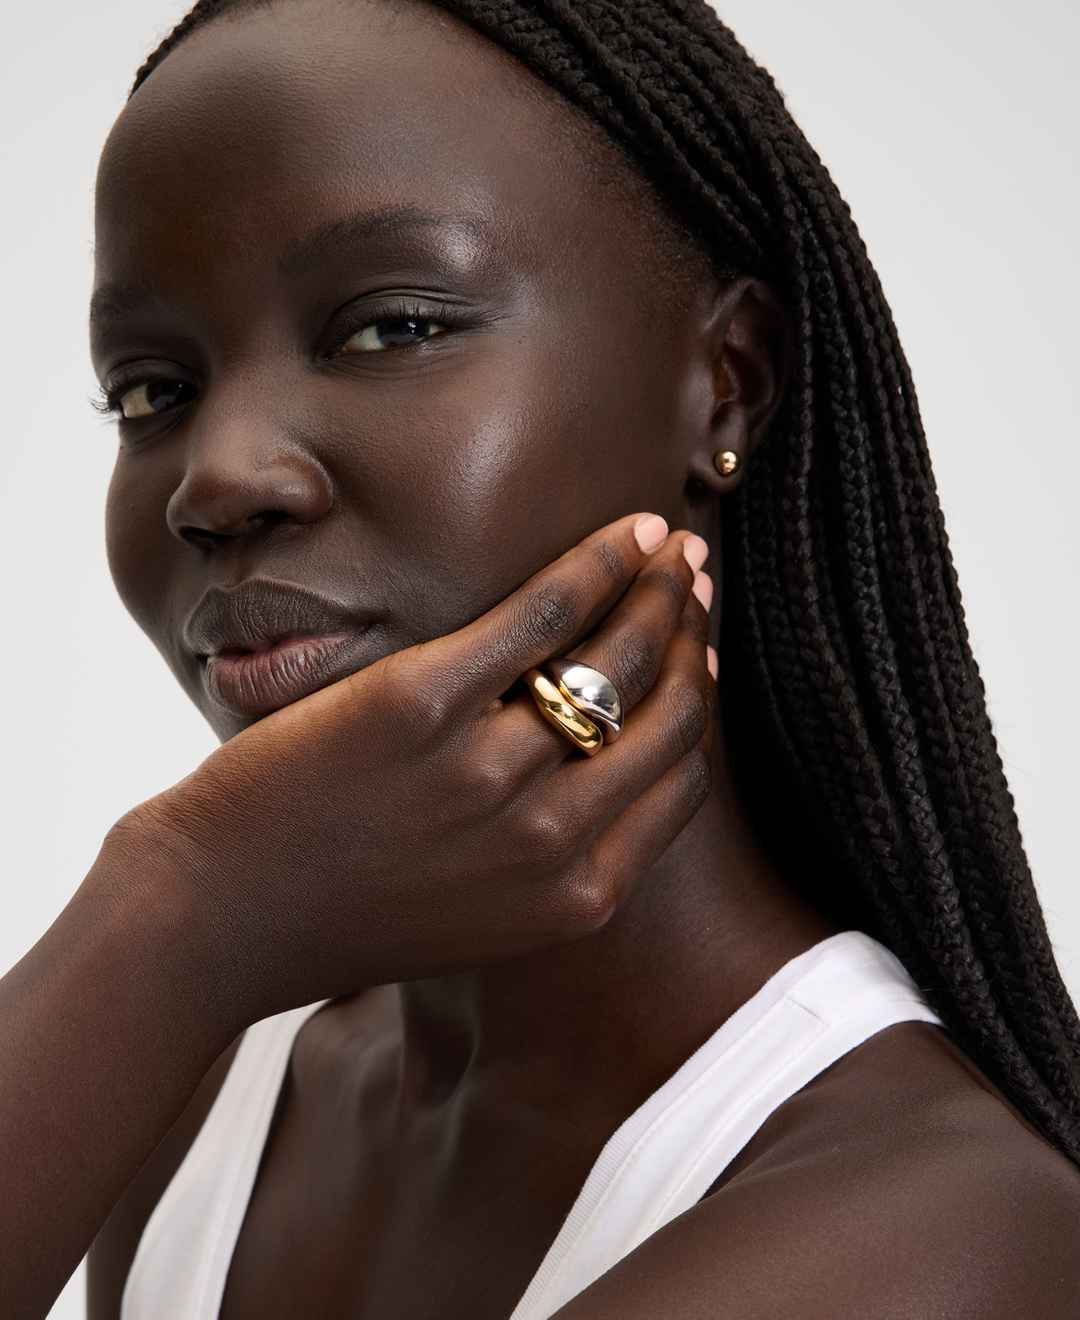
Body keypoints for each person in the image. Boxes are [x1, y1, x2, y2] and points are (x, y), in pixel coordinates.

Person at [3, 0, 1078, 1316]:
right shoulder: (194, 1084)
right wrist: (175, 913)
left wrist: (175, 911)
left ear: (727, 382)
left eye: (393, 326)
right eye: (150, 391)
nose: (216, 479)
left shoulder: (936, 1230)